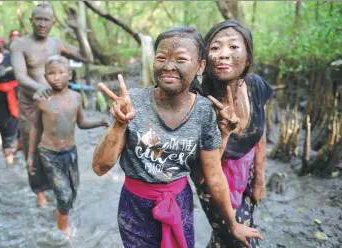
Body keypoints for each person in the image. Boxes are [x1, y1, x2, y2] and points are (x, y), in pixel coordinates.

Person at [93, 26, 262, 248]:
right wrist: (119, 124)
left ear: (200, 66)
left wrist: (231, 224)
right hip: (134, 206)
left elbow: (211, 175)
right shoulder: (131, 102)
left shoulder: (204, 111)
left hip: (178, 203)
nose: (168, 67)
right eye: (161, 58)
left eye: (181, 59)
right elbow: (99, 167)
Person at [191, 20, 274, 248]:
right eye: (215, 47)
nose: (224, 54)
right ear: (205, 59)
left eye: (234, 47)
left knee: (227, 239)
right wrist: (223, 132)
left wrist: (259, 180)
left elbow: (260, 135)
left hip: (245, 173)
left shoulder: (256, 86)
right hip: (212, 179)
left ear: (247, 57)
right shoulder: (197, 97)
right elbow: (202, 169)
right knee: (239, 239)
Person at [10, 2, 94, 207]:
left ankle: (60, 191)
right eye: (37, 19)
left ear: (53, 22)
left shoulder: (57, 44)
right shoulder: (19, 44)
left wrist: (78, 30)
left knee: (58, 144)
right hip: (31, 104)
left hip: (56, 105)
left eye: (46, 19)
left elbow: (87, 58)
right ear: (31, 20)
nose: (41, 23)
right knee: (34, 145)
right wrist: (38, 88)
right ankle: (39, 192)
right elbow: (20, 76)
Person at [26, 55, 106, 236]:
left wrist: (101, 121)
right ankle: (63, 232)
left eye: (61, 72)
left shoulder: (76, 97)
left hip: (70, 152)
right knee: (63, 195)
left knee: (73, 191)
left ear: (69, 75)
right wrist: (30, 156)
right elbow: (35, 127)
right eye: (51, 73)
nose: (56, 77)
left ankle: (59, 216)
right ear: (45, 77)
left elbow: (82, 123)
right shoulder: (42, 99)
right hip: (48, 153)